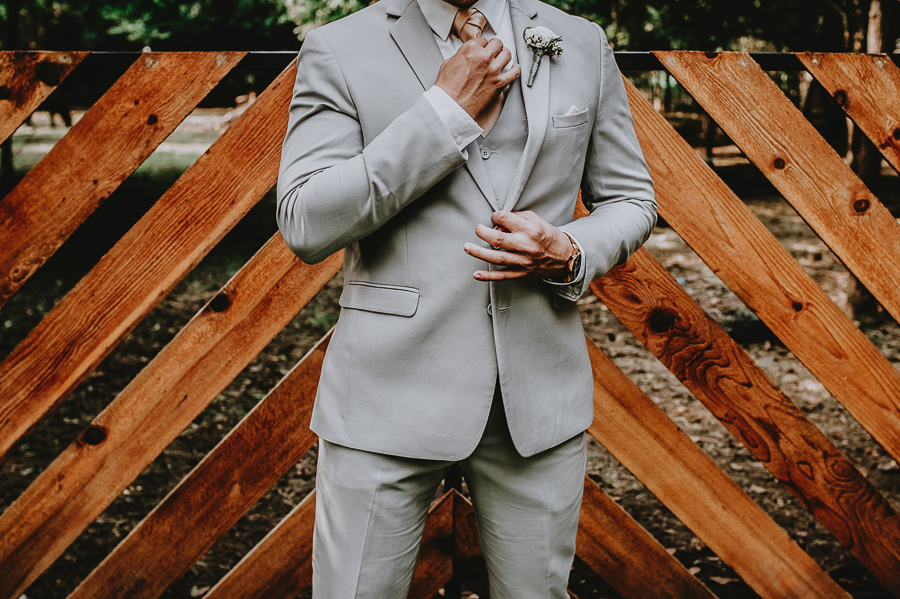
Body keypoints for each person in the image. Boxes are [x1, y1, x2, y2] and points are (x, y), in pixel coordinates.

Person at [275, 0, 656, 593]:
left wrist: (569, 249)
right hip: (385, 394)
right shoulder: (340, 48)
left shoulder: (579, 41)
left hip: (537, 398)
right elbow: (306, 222)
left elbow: (631, 200)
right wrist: (444, 112)